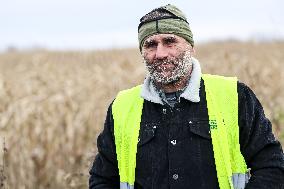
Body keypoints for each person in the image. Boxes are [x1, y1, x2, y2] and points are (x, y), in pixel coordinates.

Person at [89, 4, 284, 189]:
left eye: (170, 41)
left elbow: (272, 166)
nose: (160, 53)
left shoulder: (234, 96)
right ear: (142, 52)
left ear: (191, 46)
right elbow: (102, 178)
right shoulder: (122, 107)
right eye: (150, 45)